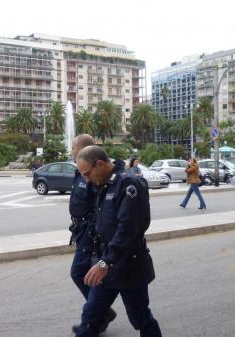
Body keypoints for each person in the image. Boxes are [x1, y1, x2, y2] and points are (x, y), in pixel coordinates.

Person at [74, 145, 162, 337]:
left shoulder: (129, 184)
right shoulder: (104, 184)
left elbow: (127, 230)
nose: (85, 180)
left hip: (129, 266)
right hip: (106, 265)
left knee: (141, 319)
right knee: (90, 317)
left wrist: (105, 263)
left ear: (100, 164)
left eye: (87, 174)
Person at [68, 135, 117, 334]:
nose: (70, 149)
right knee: (84, 274)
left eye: (72, 147)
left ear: (82, 149)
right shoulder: (82, 171)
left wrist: (93, 232)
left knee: (82, 273)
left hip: (90, 233)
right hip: (81, 231)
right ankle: (100, 314)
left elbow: (99, 207)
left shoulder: (93, 174)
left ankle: (96, 315)